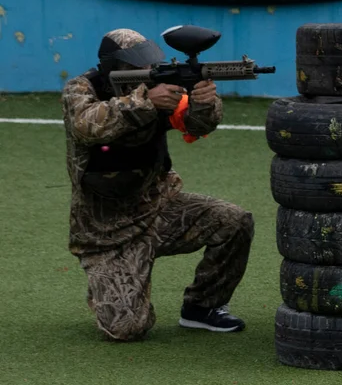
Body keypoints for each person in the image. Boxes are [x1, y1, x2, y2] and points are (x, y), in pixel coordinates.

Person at [61, 28, 255, 342]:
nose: (144, 75)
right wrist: (145, 101)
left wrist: (204, 102)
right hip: (106, 231)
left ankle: (202, 308)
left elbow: (197, 126)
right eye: (133, 68)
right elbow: (88, 126)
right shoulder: (82, 88)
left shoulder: (158, 87)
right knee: (127, 328)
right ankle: (108, 277)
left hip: (158, 209)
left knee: (235, 221)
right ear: (113, 67)